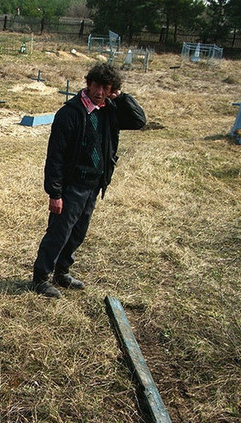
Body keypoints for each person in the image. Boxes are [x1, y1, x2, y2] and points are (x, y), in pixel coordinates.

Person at [31, 63, 146, 298]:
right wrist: (55, 193)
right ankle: (40, 278)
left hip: (93, 184)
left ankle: (62, 272)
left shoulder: (110, 111)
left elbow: (138, 120)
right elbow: (55, 156)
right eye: (96, 86)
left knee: (78, 232)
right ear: (88, 84)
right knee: (59, 233)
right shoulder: (70, 114)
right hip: (71, 185)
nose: (100, 92)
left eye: (106, 88)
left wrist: (121, 97)